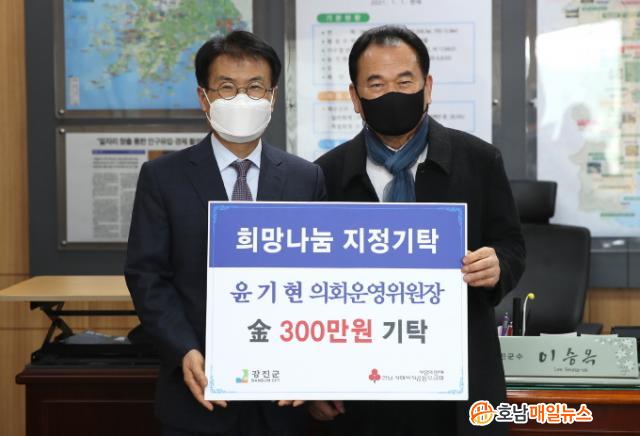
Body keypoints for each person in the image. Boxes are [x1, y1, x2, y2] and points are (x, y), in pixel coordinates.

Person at [310, 25, 525, 436]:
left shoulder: (479, 161)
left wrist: (498, 264)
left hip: (459, 375)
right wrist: (313, 379)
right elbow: (310, 285)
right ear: (355, 97)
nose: (392, 94)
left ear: (427, 87)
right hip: (360, 381)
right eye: (376, 84)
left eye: (404, 81)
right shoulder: (326, 174)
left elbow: (511, 245)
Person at [125, 30, 325, 436]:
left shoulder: (306, 178)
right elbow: (147, 275)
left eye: (255, 88)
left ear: (272, 98)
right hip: (197, 394)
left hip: (283, 399)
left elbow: (321, 278)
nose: (242, 99)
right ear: (205, 98)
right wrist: (183, 349)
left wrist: (308, 361)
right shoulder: (163, 177)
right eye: (227, 88)